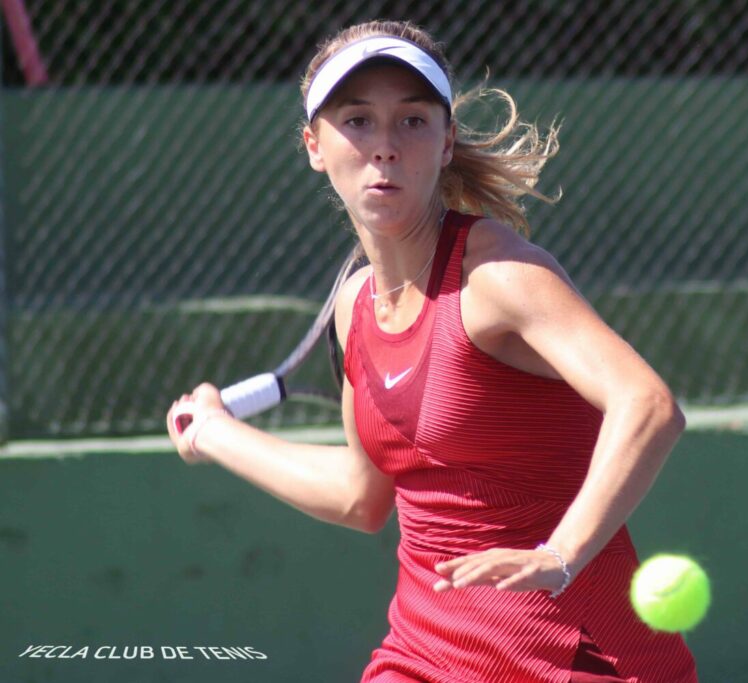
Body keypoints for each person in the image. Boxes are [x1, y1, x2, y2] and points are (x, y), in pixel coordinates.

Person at [166, 19, 698, 683]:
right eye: (357, 120)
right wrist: (216, 433)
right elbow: (362, 497)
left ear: (447, 143)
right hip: (423, 654)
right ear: (313, 144)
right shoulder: (353, 308)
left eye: (412, 121)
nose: (384, 146)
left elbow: (647, 404)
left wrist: (560, 552)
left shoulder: (499, 278)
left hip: (574, 658)